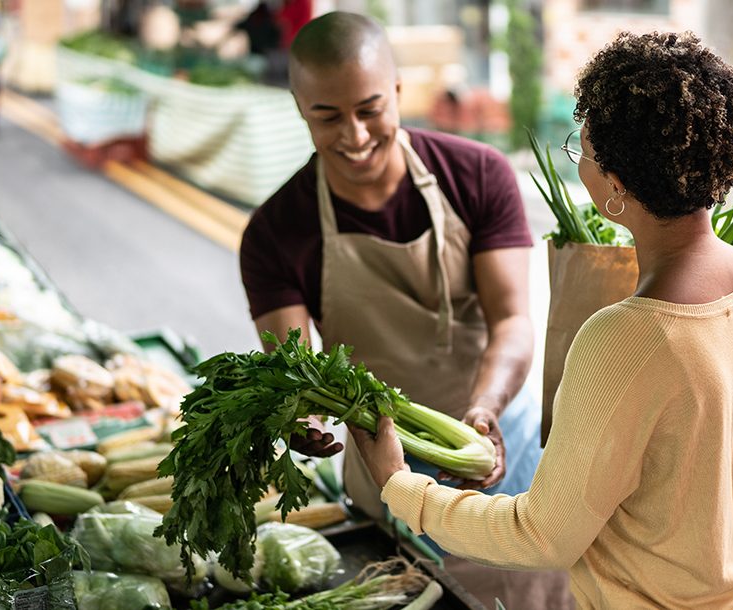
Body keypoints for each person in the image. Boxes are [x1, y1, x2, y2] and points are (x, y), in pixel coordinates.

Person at [351, 31, 733, 609]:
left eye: (585, 148)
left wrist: (401, 486)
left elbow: (541, 534)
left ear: (616, 188)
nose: (580, 159)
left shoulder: (623, 339)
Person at [239, 11, 571, 609]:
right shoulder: (274, 231)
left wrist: (484, 409)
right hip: (382, 464)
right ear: (298, 106)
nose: (356, 135)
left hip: (499, 443)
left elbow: (514, 322)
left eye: (370, 109)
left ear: (397, 91)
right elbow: (294, 368)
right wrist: (304, 422)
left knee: (526, 593)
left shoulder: (478, 175)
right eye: (328, 116)